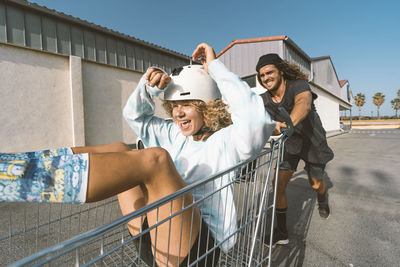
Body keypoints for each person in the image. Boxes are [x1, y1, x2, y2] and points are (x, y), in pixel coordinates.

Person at [0, 43, 275, 266]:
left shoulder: (228, 141)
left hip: (199, 250)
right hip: (154, 235)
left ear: (208, 106)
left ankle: (27, 176)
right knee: (120, 149)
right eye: (174, 105)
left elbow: (256, 121)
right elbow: (135, 116)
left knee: (155, 159)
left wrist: (215, 68)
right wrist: (149, 87)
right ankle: (23, 166)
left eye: (187, 104)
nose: (178, 113)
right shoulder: (173, 133)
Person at [255, 53, 334, 246]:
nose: (266, 78)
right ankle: (281, 233)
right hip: (289, 145)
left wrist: (288, 123)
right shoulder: (264, 99)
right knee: (278, 185)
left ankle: (322, 198)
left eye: (269, 72)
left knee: (316, 183)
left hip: (312, 142)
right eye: (262, 75)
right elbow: (252, 117)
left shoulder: (298, 85)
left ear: (281, 71)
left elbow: (304, 104)